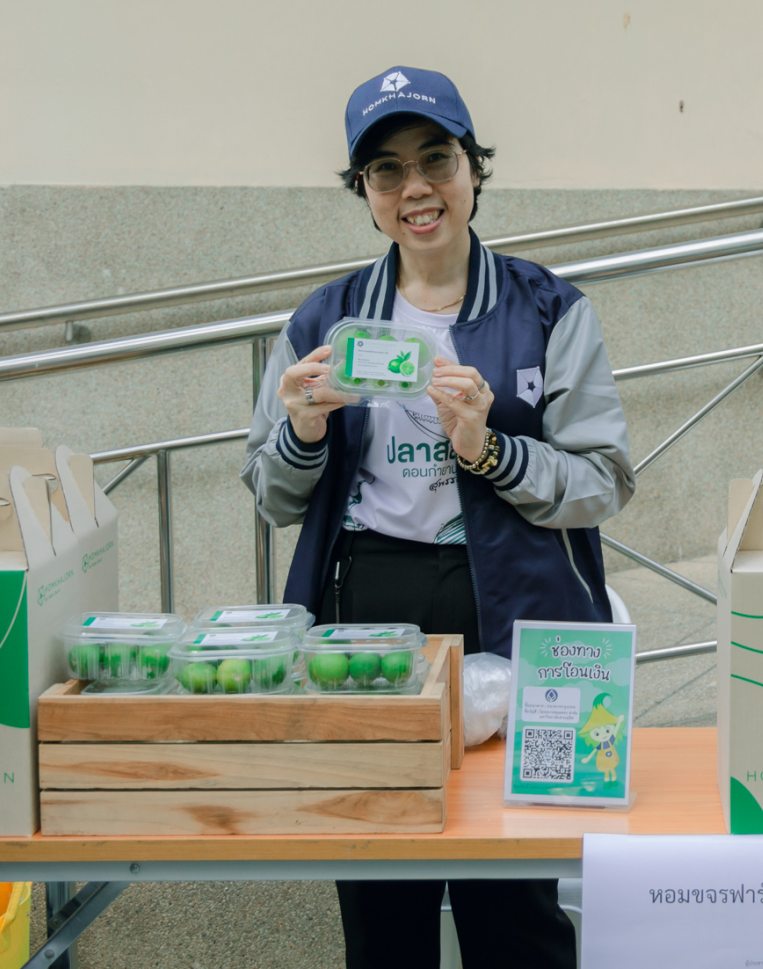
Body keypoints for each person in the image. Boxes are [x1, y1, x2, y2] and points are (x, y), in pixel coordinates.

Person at [240, 65, 633, 969]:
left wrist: (489, 450)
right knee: (382, 896)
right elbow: (272, 494)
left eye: (436, 159)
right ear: (366, 192)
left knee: (515, 900)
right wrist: (303, 427)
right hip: (369, 614)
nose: (415, 187)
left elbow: (605, 480)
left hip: (517, 611)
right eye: (386, 169)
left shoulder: (549, 309)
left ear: (473, 169)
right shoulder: (325, 321)